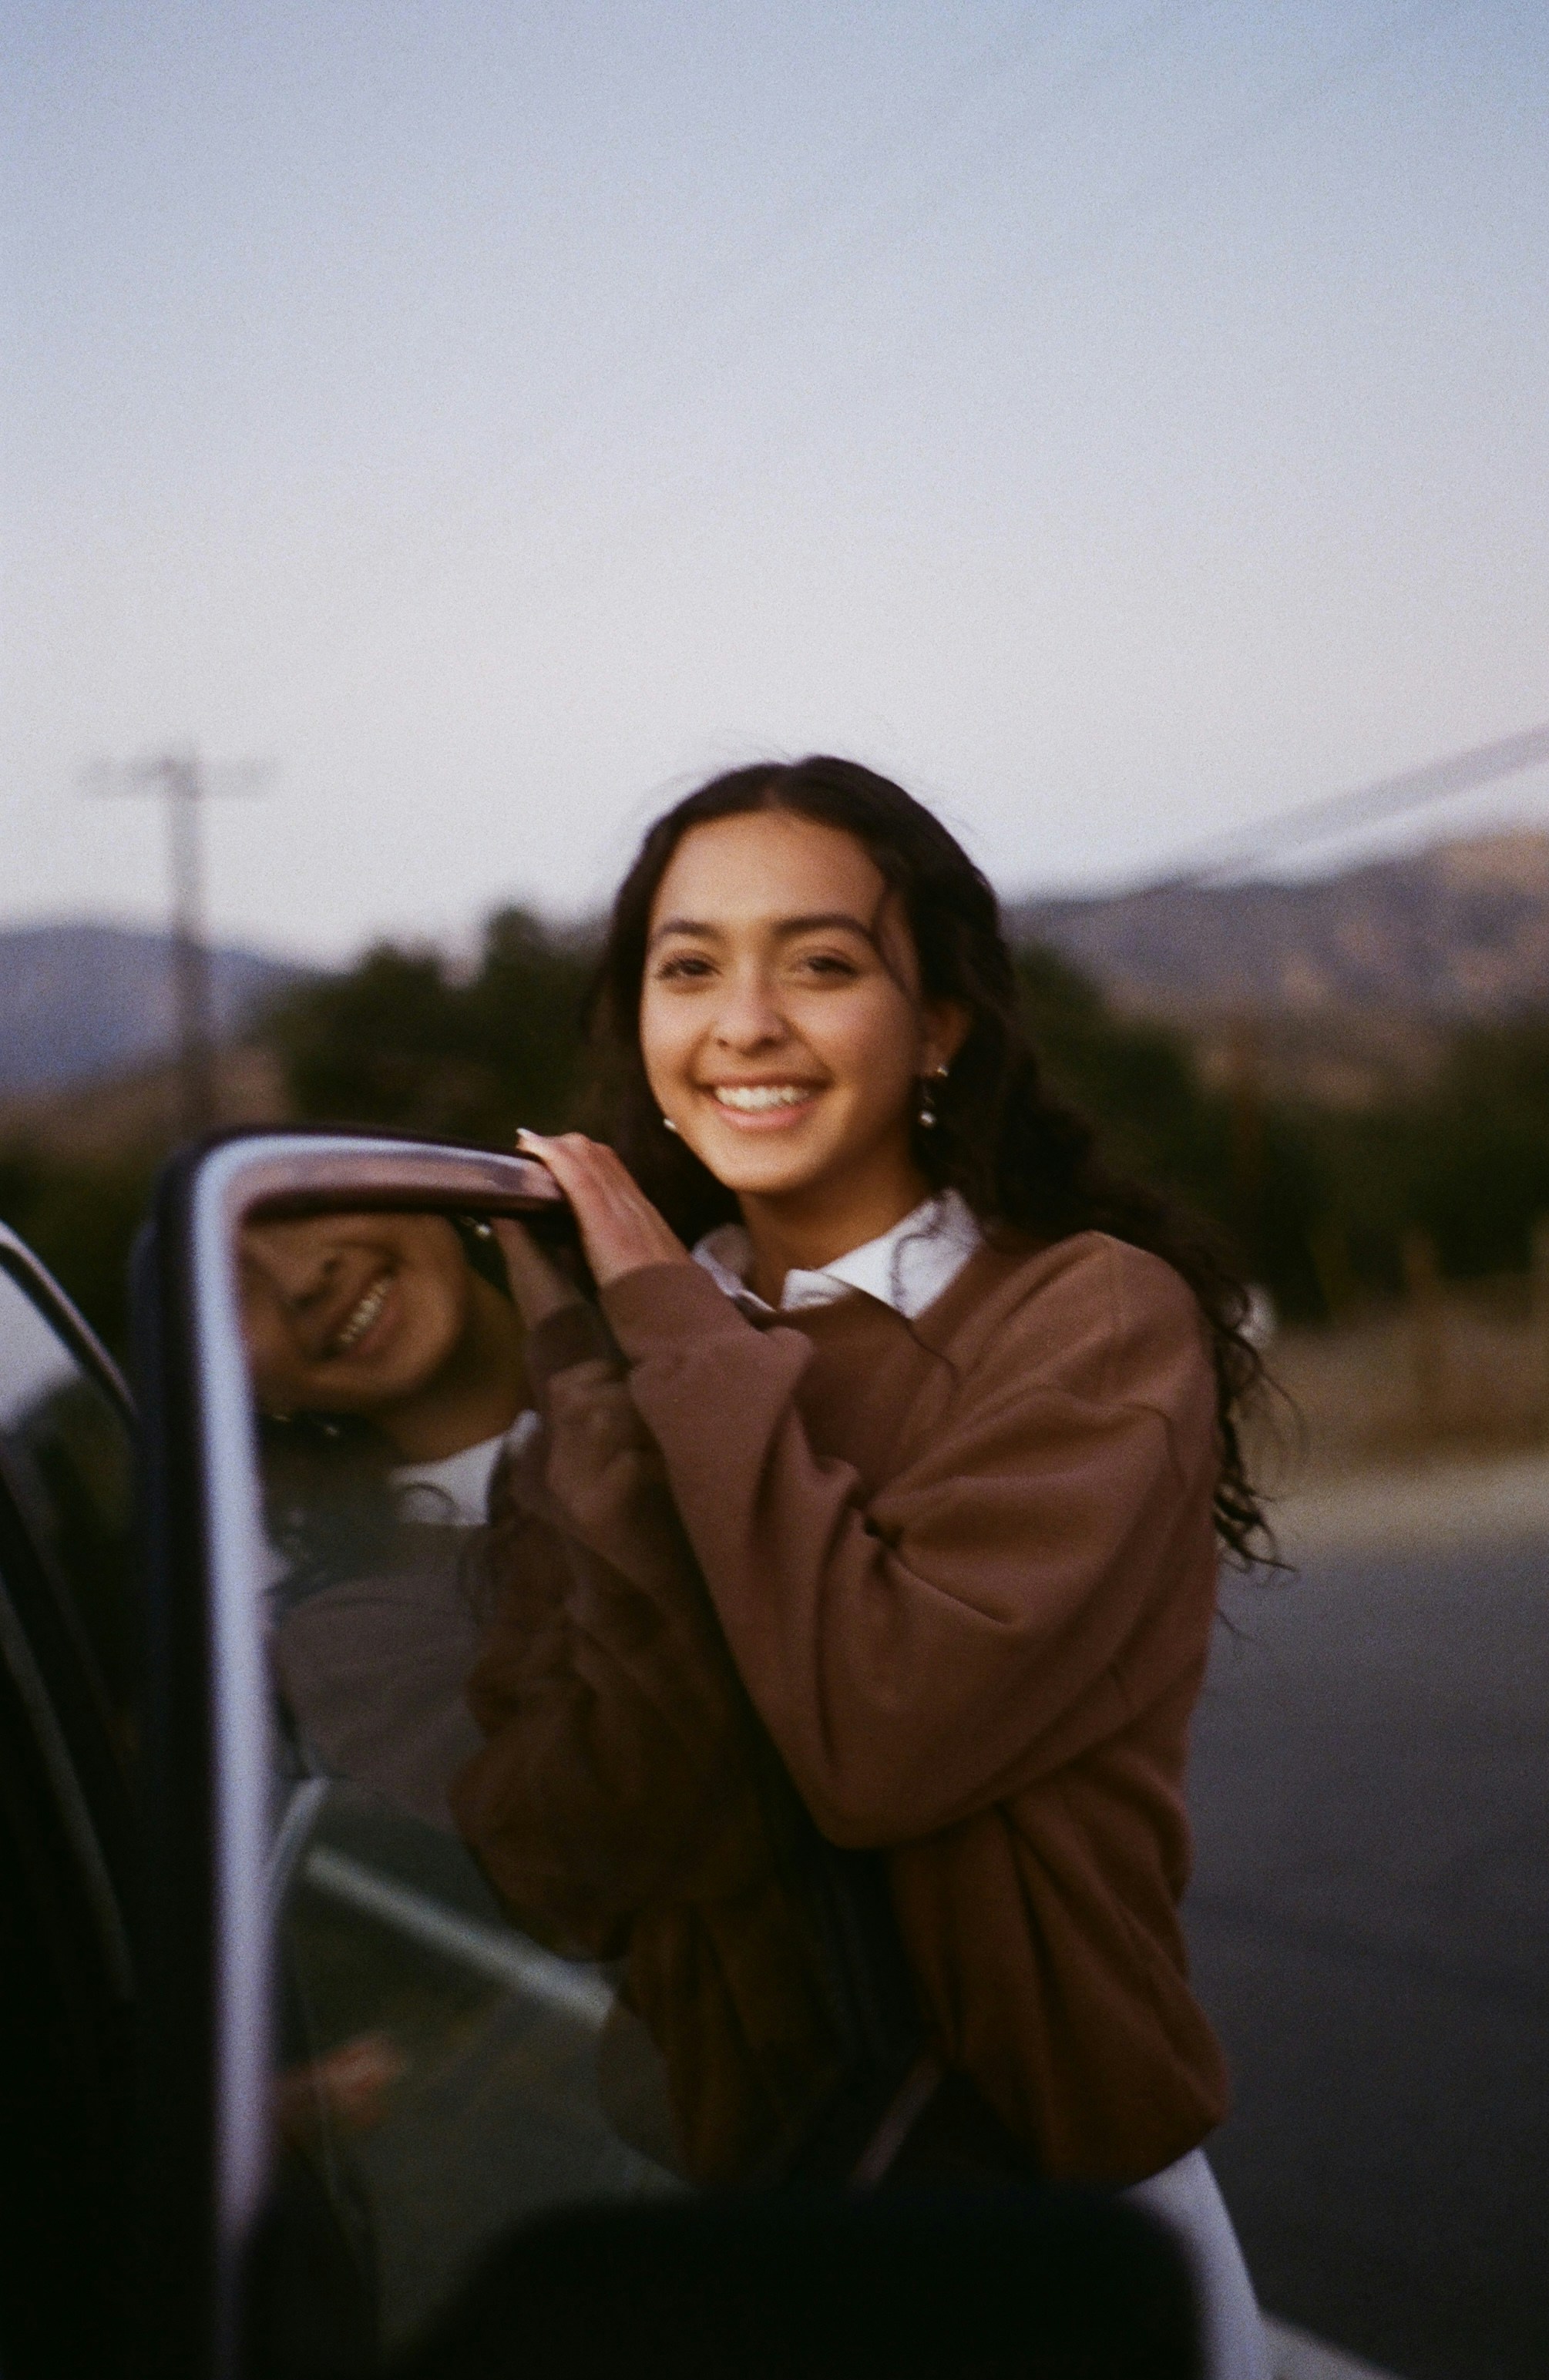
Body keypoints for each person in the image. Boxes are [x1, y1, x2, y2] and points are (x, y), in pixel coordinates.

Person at [456, 755, 1272, 2379]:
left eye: (819, 962)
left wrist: (663, 1332)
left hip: (1040, 2232)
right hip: (717, 2222)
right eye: (689, 967)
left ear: (943, 1022)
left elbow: (880, 1739)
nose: (743, 1020)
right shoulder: (618, 1369)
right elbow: (563, 1852)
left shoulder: (1086, 1318)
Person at [239, 1208, 533, 1826]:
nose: (299, 1280)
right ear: (247, 1387)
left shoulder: (717, 1292)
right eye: (229, 1283)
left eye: (284, 1204)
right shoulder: (361, 1650)